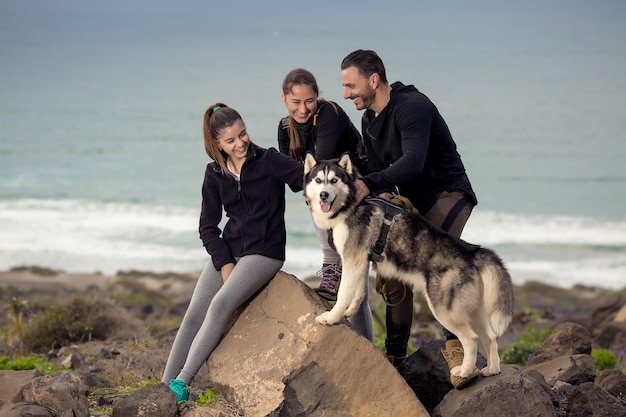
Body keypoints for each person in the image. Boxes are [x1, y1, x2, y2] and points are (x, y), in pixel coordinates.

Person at [340, 49, 479, 389]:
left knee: (438, 265)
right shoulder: (369, 119)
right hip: (413, 204)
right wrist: (380, 195)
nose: (346, 94)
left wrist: (369, 184)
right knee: (394, 271)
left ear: (374, 80)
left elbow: (413, 161)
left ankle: (458, 349)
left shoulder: (412, 106)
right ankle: (395, 358)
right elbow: (377, 171)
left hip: (449, 195)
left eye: (350, 85)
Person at [162, 103, 305, 403]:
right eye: (231, 140)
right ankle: (163, 389)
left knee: (220, 305)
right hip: (230, 249)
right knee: (192, 316)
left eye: (243, 134)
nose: (240, 143)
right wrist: (224, 261)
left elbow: (309, 177)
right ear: (217, 144)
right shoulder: (214, 173)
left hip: (264, 251)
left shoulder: (269, 160)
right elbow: (207, 227)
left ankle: (183, 384)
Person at [278, 68, 374, 341]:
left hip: (357, 192)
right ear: (283, 98)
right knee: (317, 192)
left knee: (356, 283)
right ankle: (332, 269)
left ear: (317, 97)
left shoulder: (329, 113)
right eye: (295, 102)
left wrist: (308, 177)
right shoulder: (285, 128)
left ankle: (331, 268)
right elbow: (296, 182)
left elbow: (322, 167)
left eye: (309, 101)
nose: (303, 109)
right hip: (327, 199)